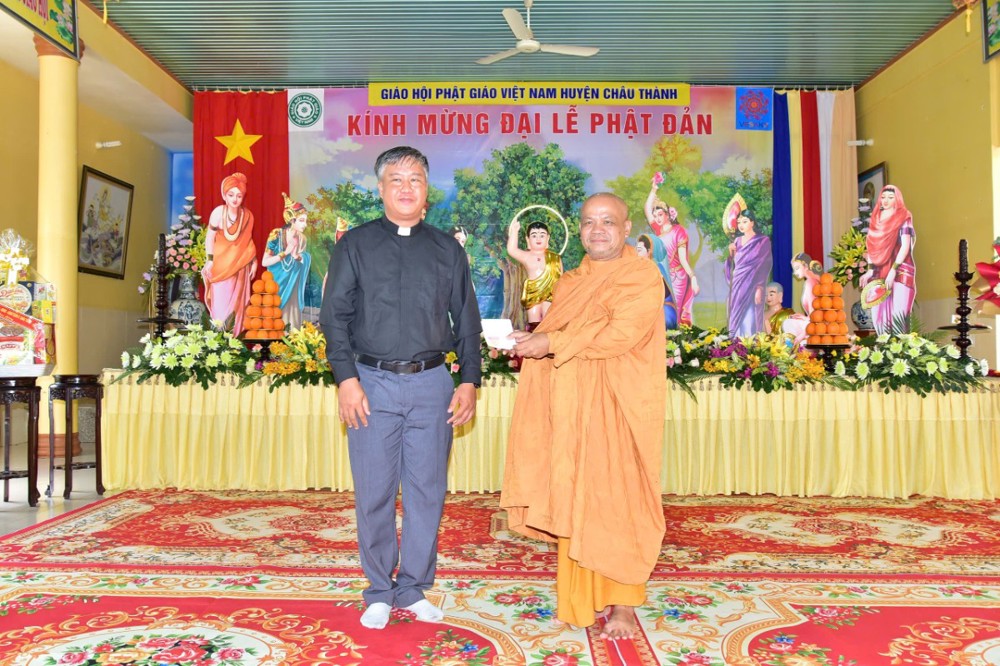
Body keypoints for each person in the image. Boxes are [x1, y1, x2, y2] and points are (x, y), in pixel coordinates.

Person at [320, 146, 482, 630]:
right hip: (370, 383)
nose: (406, 187)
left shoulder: (448, 250)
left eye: (415, 179)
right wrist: (346, 379)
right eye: (397, 179)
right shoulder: (355, 245)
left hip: (432, 384)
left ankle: (412, 588)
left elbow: (466, 320)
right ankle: (378, 590)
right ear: (381, 188)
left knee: (427, 492)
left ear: (427, 189)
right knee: (374, 490)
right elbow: (335, 317)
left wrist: (469, 380)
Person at [501, 193, 666, 641]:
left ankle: (624, 603)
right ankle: (579, 596)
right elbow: (558, 331)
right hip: (574, 405)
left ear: (626, 228)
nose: (598, 230)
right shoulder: (571, 281)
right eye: (590, 222)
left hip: (619, 405)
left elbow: (620, 334)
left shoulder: (642, 275)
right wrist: (529, 340)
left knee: (618, 496)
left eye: (608, 222)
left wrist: (551, 343)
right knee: (578, 494)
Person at [203, 172, 257, 335]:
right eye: (231, 195)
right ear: (224, 195)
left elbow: (248, 242)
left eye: (239, 196)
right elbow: (210, 237)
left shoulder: (247, 216)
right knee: (220, 307)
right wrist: (210, 260)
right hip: (220, 267)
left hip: (240, 267)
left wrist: (254, 261)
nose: (235, 199)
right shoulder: (218, 212)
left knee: (237, 308)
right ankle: (219, 342)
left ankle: (234, 342)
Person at [859, 184, 916, 334]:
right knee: (879, 318)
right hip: (879, 269)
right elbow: (871, 246)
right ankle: (884, 347)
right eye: (883, 197)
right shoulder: (875, 219)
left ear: (897, 199)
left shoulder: (904, 216)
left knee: (899, 316)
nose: (886, 200)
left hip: (900, 267)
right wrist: (870, 270)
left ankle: (900, 347)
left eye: (890, 197)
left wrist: (893, 270)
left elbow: (905, 245)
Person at [645, 177, 698, 325]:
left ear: (668, 214)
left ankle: (678, 338)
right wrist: (654, 189)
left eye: (660, 215)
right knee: (662, 310)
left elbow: (683, 260)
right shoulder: (658, 230)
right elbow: (647, 209)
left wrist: (693, 277)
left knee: (676, 310)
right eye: (655, 216)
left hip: (677, 278)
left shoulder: (679, 231)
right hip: (662, 275)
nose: (657, 218)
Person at [261, 193, 312, 330]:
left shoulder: (302, 239)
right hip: (276, 284)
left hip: (293, 285)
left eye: (305, 220)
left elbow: (303, 260)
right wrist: (286, 253)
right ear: (292, 220)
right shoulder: (276, 235)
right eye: (301, 220)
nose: (305, 224)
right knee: (274, 322)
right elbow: (264, 262)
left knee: (293, 322)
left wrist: (298, 257)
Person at [724, 208, 772, 337]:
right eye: (739, 222)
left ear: (752, 222)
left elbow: (764, 266)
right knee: (735, 315)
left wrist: (759, 287)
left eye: (744, 221)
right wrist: (731, 255)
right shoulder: (737, 241)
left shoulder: (762, 241)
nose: (741, 225)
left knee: (749, 317)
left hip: (752, 285)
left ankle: (749, 345)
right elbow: (733, 265)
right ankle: (735, 344)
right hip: (738, 284)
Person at [507, 219, 563, 328]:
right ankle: (534, 336)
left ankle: (548, 337)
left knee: (548, 320)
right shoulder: (527, 256)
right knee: (534, 321)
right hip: (533, 295)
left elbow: (561, 280)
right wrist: (514, 231)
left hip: (550, 295)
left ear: (548, 238)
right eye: (534, 235)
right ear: (528, 239)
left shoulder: (555, 258)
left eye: (542, 235)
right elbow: (512, 250)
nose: (538, 239)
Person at [637, 234, 679, 329]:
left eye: (639, 250)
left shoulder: (657, 269)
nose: (637, 254)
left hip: (663, 311)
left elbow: (655, 297)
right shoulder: (642, 269)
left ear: (649, 251)